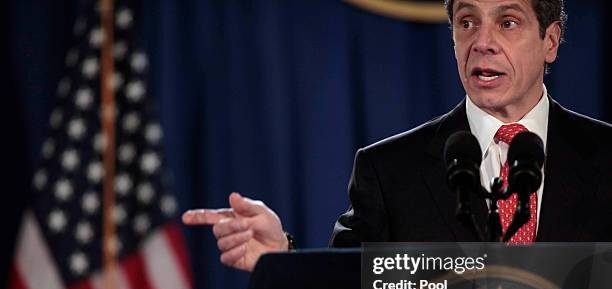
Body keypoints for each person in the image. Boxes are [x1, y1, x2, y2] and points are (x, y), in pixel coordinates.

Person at [182, 0, 612, 272]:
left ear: (550, 41)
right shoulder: (390, 170)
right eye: (466, 21)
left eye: (508, 22)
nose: (482, 42)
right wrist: (282, 260)